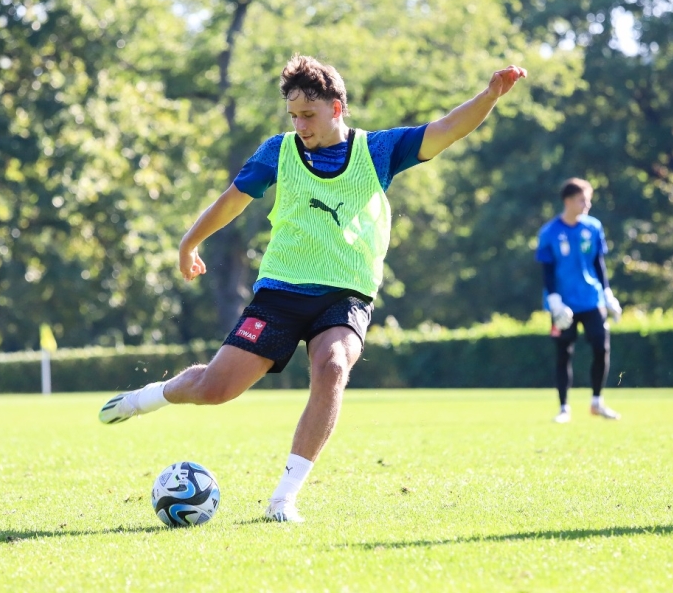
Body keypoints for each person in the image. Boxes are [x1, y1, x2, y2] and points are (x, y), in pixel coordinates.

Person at [98, 54, 528, 522]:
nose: (300, 125)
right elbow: (233, 200)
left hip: (346, 294)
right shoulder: (278, 152)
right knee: (215, 389)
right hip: (281, 292)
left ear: (337, 108)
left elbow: (445, 130)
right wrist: (190, 242)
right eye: (294, 116)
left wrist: (488, 97)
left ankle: (284, 498)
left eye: (309, 115)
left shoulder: (377, 151)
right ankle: (146, 398)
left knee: (332, 365)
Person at [536, 178, 623, 424]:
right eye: (582, 199)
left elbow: (599, 263)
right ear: (568, 200)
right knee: (564, 353)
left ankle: (597, 402)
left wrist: (607, 294)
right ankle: (564, 408)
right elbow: (547, 269)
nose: (587, 204)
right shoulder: (550, 232)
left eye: (588, 199)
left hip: (591, 298)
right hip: (562, 304)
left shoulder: (593, 227)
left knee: (601, 346)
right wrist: (554, 301)